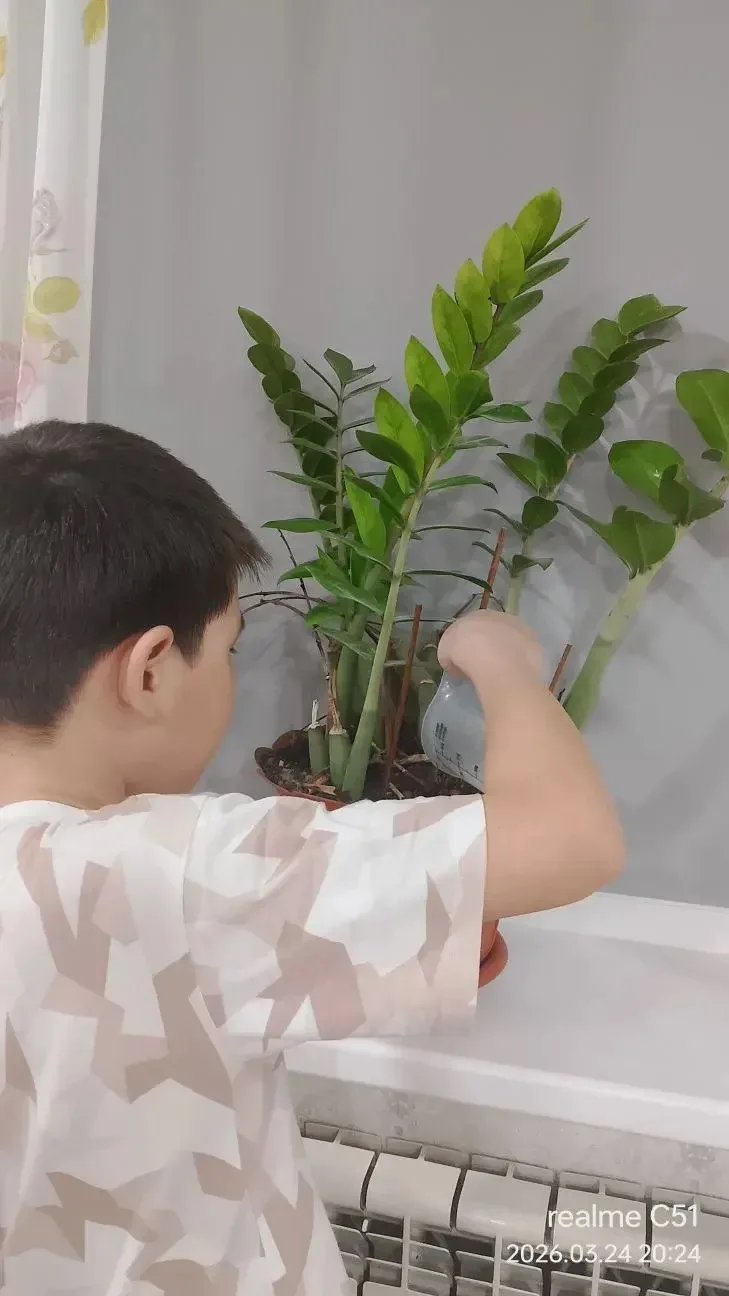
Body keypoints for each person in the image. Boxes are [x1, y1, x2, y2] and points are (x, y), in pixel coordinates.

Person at [0, 420, 624, 1295]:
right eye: (229, 650)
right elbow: (570, 839)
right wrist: (502, 664)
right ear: (149, 673)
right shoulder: (173, 878)